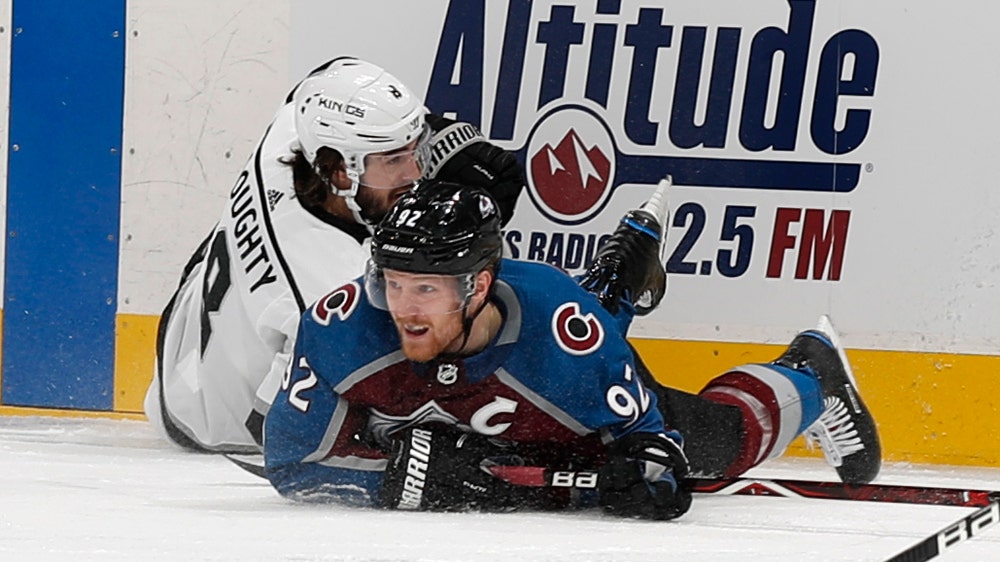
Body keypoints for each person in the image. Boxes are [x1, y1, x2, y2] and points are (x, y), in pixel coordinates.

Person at [262, 179, 881, 519]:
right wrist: (390, 478)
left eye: (425, 287)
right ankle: (617, 279)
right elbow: (292, 464)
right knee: (578, 324)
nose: (403, 307)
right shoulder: (341, 329)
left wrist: (647, 475)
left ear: (477, 284)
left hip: (561, 376)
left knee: (715, 446)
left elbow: (654, 453)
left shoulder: (565, 343)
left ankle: (810, 373)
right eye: (393, 284)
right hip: (545, 343)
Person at [146, 57, 525, 453]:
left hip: (190, 332)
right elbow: (278, 428)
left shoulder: (291, 132)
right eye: (394, 159)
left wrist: (438, 135)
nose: (415, 173)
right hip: (216, 421)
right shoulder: (330, 293)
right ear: (341, 171)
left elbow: (330, 72)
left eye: (417, 150)